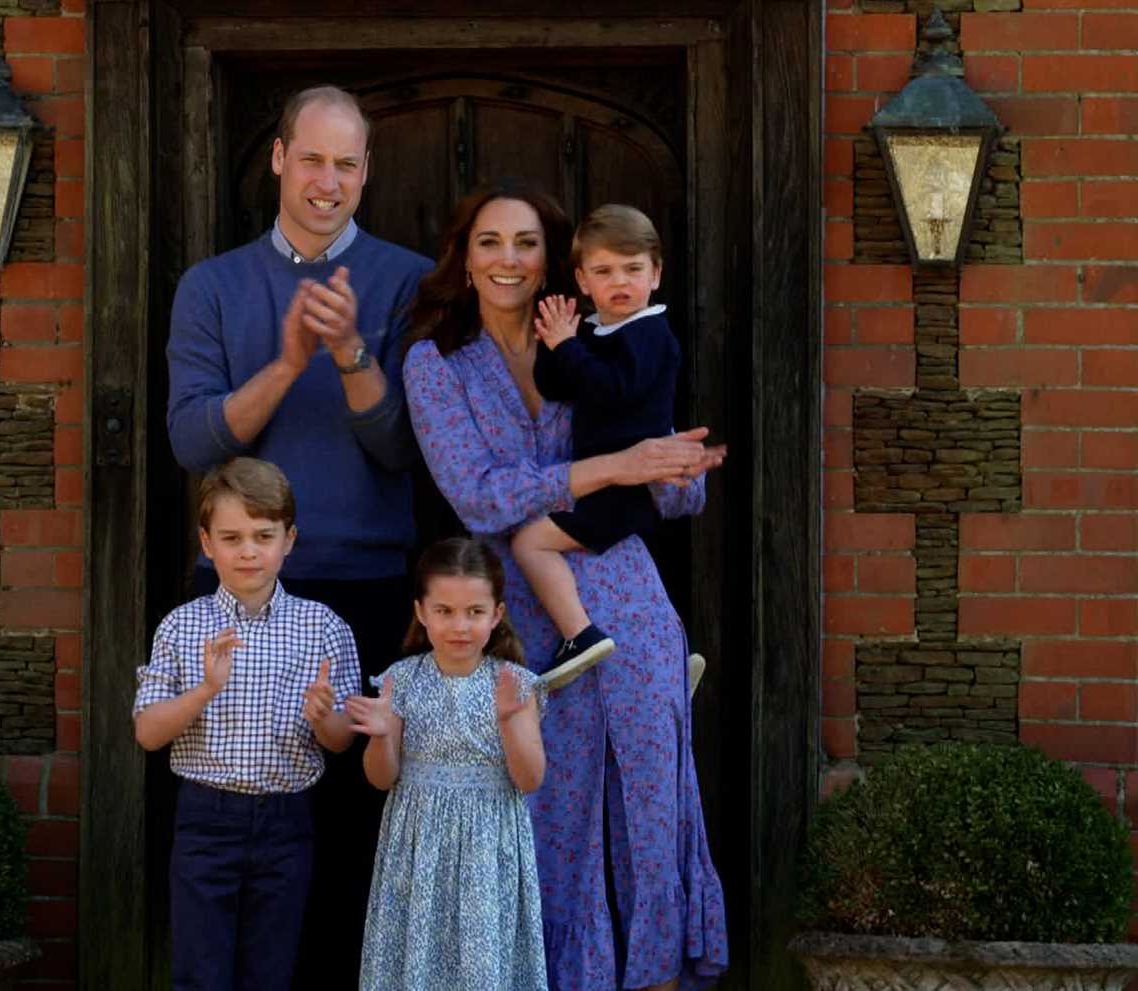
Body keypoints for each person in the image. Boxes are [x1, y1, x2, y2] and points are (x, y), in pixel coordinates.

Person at [402, 179, 729, 991]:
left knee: (653, 809)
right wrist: (618, 465)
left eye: (525, 243)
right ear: (464, 259)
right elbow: (477, 494)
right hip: (519, 610)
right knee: (548, 816)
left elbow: (668, 483)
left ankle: (657, 975)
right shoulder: (434, 362)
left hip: (628, 592)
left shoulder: (598, 334)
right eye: (489, 242)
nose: (507, 259)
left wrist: (676, 467)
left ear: (556, 262)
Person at [165, 85, 432, 986]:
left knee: (354, 832)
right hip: (242, 590)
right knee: (239, 829)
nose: (328, 181)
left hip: (365, 586)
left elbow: (405, 448)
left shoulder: (410, 281)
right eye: (311, 159)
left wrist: (352, 351)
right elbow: (193, 440)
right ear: (278, 158)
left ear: (367, 172)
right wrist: (286, 363)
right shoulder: (213, 285)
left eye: (346, 164)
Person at [132, 457, 361, 990]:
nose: (249, 551)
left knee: (270, 971)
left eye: (264, 535)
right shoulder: (183, 625)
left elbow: (342, 742)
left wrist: (326, 717)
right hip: (205, 820)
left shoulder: (322, 627)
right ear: (207, 544)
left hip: (286, 821)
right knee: (200, 972)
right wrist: (207, 689)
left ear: (290, 539)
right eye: (231, 537)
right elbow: (147, 732)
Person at [349, 537, 548, 991]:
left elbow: (530, 778)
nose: (460, 625)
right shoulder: (401, 679)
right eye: (444, 611)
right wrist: (381, 735)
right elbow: (382, 778)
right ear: (421, 611)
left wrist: (512, 722)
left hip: (488, 848)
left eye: (475, 612)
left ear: (496, 614)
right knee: (418, 958)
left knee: (481, 963)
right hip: (418, 846)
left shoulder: (516, 684)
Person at [510, 204, 681, 689]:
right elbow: (557, 385)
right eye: (604, 271)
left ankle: (579, 635)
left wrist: (569, 346)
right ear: (583, 281)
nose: (619, 282)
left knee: (530, 541)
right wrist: (555, 341)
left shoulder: (650, 334)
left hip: (624, 489)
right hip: (602, 482)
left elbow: (611, 390)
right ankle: (658, 660)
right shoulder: (598, 331)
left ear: (656, 274)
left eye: (633, 269)